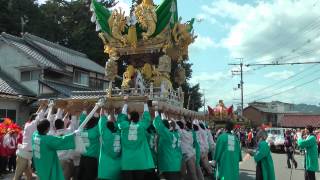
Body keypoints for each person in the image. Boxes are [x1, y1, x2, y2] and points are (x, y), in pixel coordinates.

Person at [117, 96, 154, 180]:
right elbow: (147, 119)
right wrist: (145, 103)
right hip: (140, 161)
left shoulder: (124, 126)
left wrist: (125, 103)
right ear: (139, 118)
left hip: (127, 162)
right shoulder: (141, 127)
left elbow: (121, 118)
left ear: (129, 118)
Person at [14, 105, 47, 180]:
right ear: (34, 120)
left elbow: (37, 116)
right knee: (17, 176)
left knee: (30, 177)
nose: (39, 122)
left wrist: (42, 107)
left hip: (26, 155)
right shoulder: (31, 126)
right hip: (23, 155)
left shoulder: (29, 125)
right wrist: (45, 107)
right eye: (37, 121)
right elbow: (38, 117)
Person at [153, 110, 182, 180]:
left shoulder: (167, 135)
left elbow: (159, 125)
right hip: (176, 164)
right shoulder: (177, 134)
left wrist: (156, 111)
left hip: (168, 164)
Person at [77, 109, 101, 180]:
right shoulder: (95, 131)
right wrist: (98, 111)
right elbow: (101, 123)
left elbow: (82, 121)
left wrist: (85, 110)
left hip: (82, 159)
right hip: (91, 160)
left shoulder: (81, 129)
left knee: (81, 177)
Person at [98, 109, 121, 180]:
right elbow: (118, 126)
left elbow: (102, 121)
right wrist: (112, 113)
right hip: (118, 170)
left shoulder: (105, 135)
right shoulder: (120, 134)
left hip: (104, 171)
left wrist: (102, 107)